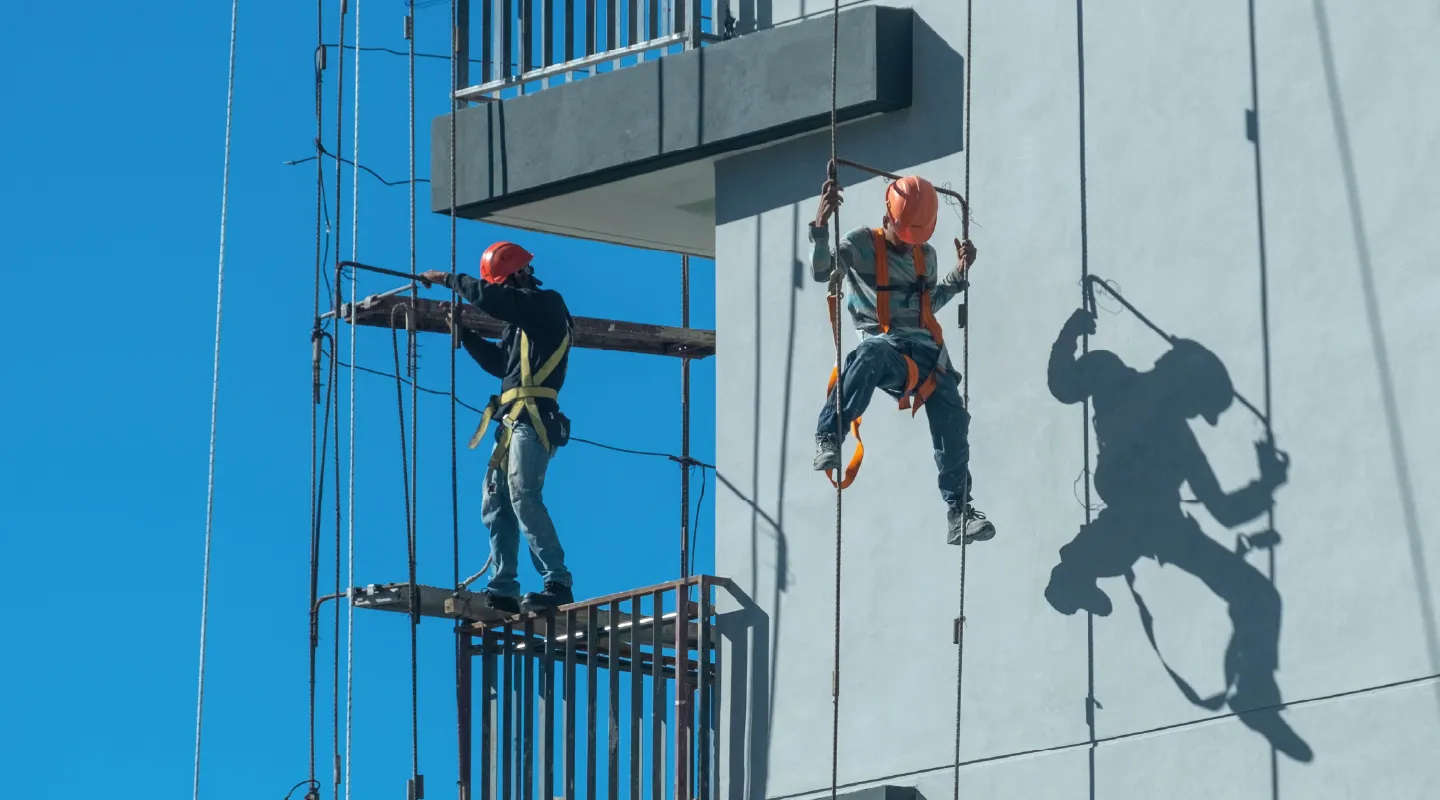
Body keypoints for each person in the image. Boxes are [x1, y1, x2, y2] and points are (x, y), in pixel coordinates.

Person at [1045, 307, 1309, 762]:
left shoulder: (1118, 382)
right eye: (1195, 404)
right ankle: (1073, 577)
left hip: (1155, 526)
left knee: (1258, 596)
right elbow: (1225, 512)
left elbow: (1062, 384)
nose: (1190, 413)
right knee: (1256, 596)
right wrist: (1267, 485)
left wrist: (1070, 334)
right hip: (1148, 525)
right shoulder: (1147, 407)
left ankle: (1254, 688)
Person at [810, 174, 997, 546]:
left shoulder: (923, 253)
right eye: (905, 237)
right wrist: (820, 227)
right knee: (871, 352)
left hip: (929, 356)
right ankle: (829, 434)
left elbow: (927, 305)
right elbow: (822, 272)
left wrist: (959, 275)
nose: (910, 245)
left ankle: (959, 512)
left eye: (917, 239)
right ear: (888, 219)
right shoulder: (861, 245)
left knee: (954, 424)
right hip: (889, 349)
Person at [420, 241, 575, 614]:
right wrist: (465, 333)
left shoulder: (546, 306)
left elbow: (495, 300)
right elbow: (500, 365)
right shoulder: (520, 325)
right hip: (512, 420)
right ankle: (503, 588)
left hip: (532, 419)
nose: (501, 291)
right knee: (496, 502)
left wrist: (447, 279)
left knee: (523, 494)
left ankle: (557, 580)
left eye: (504, 283)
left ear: (521, 276)